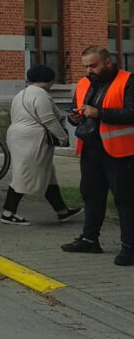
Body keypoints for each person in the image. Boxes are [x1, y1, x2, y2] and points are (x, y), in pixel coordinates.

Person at [62, 46, 134, 266]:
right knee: (91, 195)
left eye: (93, 66)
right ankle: (89, 239)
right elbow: (77, 108)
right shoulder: (84, 83)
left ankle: (130, 248)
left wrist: (99, 113)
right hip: (91, 149)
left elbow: (131, 113)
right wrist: (76, 117)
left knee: (125, 200)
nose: (88, 71)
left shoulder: (128, 81)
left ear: (108, 63)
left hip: (121, 152)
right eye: (85, 67)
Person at [1, 65, 82, 226]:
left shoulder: (21, 93)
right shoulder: (41, 95)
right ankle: (8, 213)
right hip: (32, 139)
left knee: (47, 174)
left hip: (17, 135)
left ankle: (62, 211)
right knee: (23, 175)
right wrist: (63, 137)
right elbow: (49, 120)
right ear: (48, 80)